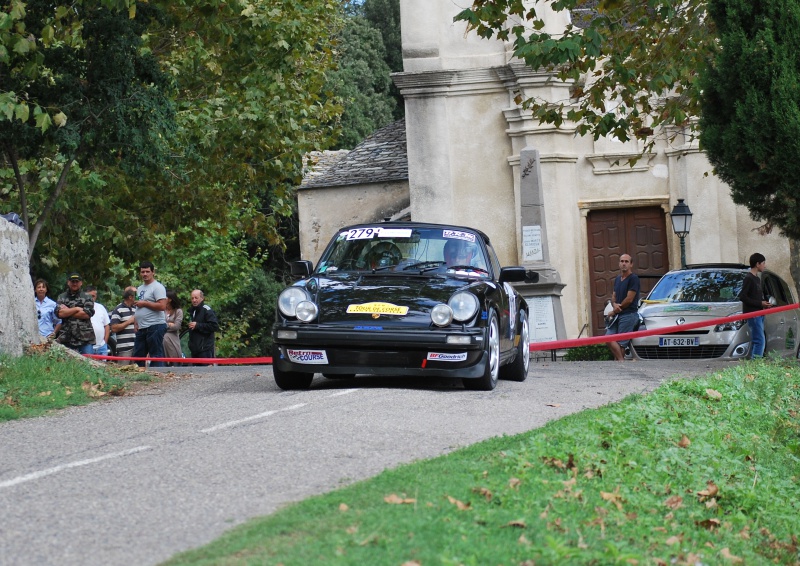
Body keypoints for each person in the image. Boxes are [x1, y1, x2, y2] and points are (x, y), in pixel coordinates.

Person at [605, 254, 640, 362]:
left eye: (626, 261)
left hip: (629, 315)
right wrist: (614, 304)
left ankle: (620, 364)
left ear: (631, 264)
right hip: (618, 315)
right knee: (608, 338)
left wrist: (615, 311)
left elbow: (629, 299)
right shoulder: (617, 279)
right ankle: (621, 362)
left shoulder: (633, 278)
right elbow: (613, 296)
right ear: (619, 263)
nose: (624, 263)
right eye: (622, 261)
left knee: (621, 344)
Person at [132, 261, 168, 367]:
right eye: (142, 272)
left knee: (155, 355)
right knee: (138, 355)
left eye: (147, 271)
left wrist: (145, 303)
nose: (145, 274)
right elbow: (138, 305)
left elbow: (162, 306)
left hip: (155, 325)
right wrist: (135, 322)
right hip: (142, 326)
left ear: (153, 272)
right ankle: (139, 377)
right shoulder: (139, 288)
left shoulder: (157, 287)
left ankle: (157, 377)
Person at [738, 252, 771, 359]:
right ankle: (756, 365)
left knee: (758, 340)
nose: (764, 266)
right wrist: (759, 303)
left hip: (759, 313)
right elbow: (743, 296)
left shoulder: (757, 278)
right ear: (757, 264)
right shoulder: (749, 278)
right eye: (763, 263)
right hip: (753, 314)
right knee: (759, 341)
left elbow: (755, 296)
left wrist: (764, 303)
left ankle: (754, 363)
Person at [54, 272, 95, 354]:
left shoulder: (87, 297)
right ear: (68, 282)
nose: (75, 283)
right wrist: (76, 309)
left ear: (81, 283)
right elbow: (60, 314)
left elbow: (86, 314)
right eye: (72, 281)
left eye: (77, 281)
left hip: (85, 339)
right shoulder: (62, 297)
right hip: (66, 338)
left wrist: (68, 310)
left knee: (88, 365)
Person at [188, 289, 219, 362]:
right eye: (192, 298)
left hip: (205, 349)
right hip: (194, 349)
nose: (194, 300)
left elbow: (214, 326)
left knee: (206, 372)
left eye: (196, 298)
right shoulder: (192, 311)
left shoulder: (207, 310)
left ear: (202, 298)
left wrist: (198, 325)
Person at [110, 287, 137, 365]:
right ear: (130, 297)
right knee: (123, 372)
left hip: (137, 347)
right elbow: (114, 328)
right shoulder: (118, 309)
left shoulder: (136, 308)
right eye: (136, 295)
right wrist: (129, 322)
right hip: (124, 349)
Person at [84, 285, 111, 358]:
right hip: (87, 346)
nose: (91, 298)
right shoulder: (80, 307)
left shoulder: (101, 307)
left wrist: (105, 342)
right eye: (89, 296)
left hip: (101, 346)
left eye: (93, 296)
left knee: (103, 368)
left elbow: (107, 325)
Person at [163, 290, 184, 365]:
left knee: (174, 360)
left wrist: (165, 325)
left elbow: (176, 326)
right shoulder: (162, 310)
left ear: (170, 299)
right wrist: (170, 324)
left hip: (173, 338)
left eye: (165, 297)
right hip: (162, 337)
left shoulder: (178, 311)